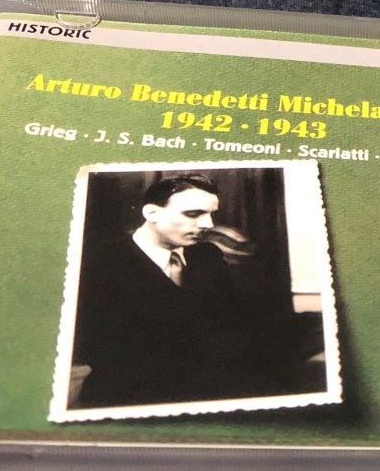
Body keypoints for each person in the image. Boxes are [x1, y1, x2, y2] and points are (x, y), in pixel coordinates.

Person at [71, 174, 259, 409]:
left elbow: (231, 328)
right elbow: (98, 349)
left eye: (211, 214)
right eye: (193, 214)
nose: (208, 225)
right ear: (152, 213)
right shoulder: (97, 263)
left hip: (206, 395)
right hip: (128, 399)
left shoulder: (207, 256)